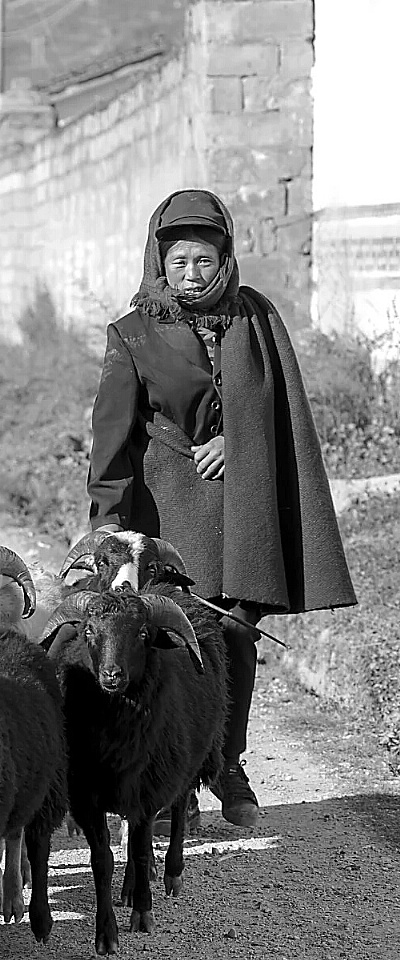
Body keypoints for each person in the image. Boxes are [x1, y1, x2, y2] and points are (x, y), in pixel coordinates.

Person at [87, 188, 357, 828]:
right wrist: (108, 528)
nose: (191, 273)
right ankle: (173, 777)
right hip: (166, 508)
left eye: (204, 260)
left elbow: (280, 407)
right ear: (159, 261)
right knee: (172, 637)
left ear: (226, 259)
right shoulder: (133, 334)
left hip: (242, 505)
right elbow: (111, 437)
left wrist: (239, 440)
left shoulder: (255, 317)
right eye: (178, 261)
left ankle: (227, 763)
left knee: (235, 633)